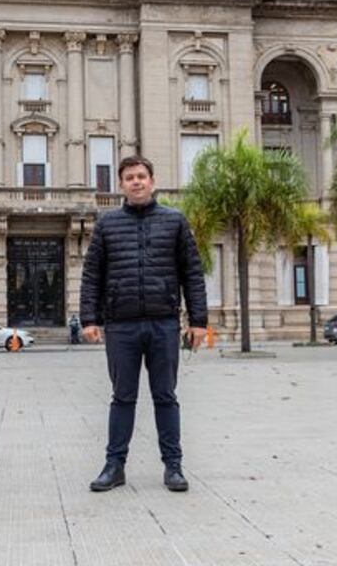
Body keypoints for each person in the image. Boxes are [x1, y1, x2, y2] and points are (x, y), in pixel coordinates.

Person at [80, 155, 208, 492]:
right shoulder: (107, 225)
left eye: (141, 176)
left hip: (163, 324)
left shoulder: (175, 221)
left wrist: (199, 321)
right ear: (121, 185)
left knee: (165, 396)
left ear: (152, 181)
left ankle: (174, 466)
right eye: (129, 178)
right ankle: (114, 465)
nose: (136, 182)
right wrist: (89, 318)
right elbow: (92, 275)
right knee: (122, 397)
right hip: (121, 327)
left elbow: (192, 273)